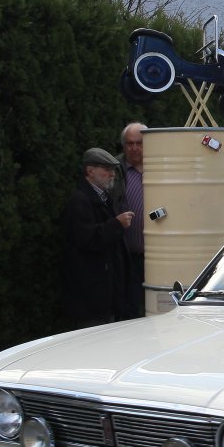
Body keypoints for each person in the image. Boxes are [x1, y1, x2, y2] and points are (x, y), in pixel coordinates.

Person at [59, 148, 134, 329]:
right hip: (91, 296)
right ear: (90, 171)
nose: (112, 174)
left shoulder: (103, 198)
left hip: (105, 294)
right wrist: (116, 224)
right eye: (107, 169)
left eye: (113, 170)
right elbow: (87, 239)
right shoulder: (80, 201)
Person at [114, 122, 147, 318]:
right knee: (131, 312)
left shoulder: (162, 166)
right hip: (129, 257)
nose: (134, 148)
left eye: (139, 143)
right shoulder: (116, 171)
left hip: (159, 256)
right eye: (129, 143)